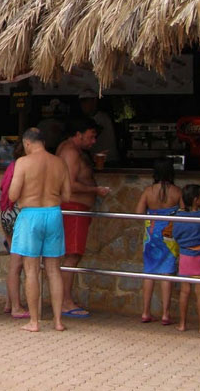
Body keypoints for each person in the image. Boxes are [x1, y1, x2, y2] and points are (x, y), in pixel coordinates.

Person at [9, 128, 71, 332]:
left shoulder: (23, 163)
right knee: (54, 270)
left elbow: (12, 194)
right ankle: (58, 321)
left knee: (31, 270)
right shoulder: (59, 162)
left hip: (30, 215)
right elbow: (68, 196)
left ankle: (34, 321)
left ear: (27, 144)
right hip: (53, 213)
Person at [55, 118, 110, 317]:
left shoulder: (75, 151)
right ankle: (65, 301)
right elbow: (68, 184)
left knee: (72, 254)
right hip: (73, 207)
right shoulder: (70, 151)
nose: (93, 141)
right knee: (72, 254)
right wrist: (95, 189)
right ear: (78, 134)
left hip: (77, 207)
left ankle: (64, 298)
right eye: (91, 136)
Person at [135, 158, 182, 324]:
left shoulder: (148, 191)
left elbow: (139, 212)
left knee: (149, 271)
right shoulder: (177, 191)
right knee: (167, 272)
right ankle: (165, 314)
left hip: (151, 234)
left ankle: (146, 312)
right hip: (169, 235)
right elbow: (183, 213)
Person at [173, 184, 200, 333]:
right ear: (197, 199)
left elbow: (175, 235)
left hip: (185, 255)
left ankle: (182, 324)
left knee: (184, 292)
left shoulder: (179, 217)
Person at [0, 140, 29, 318]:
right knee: (18, 262)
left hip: (6, 214)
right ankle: (17, 306)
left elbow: (3, 187)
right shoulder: (25, 168)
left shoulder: (11, 166)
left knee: (14, 259)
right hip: (19, 214)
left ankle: (10, 302)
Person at [78, 89, 118, 163]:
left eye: (86, 101)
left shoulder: (102, 118)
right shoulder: (90, 118)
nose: (83, 105)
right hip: (96, 159)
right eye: (81, 102)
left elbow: (92, 135)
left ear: (94, 101)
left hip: (107, 160)